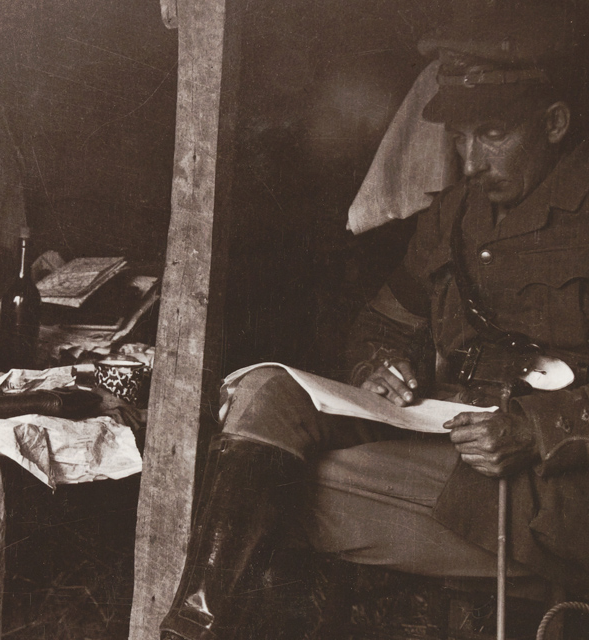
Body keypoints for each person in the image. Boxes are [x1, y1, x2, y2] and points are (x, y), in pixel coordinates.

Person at [160, 6, 589, 640]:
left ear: (554, 123)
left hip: (536, 489)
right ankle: (194, 626)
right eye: (461, 137)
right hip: (442, 439)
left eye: (492, 133)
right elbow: (382, 323)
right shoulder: (457, 214)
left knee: (273, 493)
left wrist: (534, 429)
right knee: (265, 395)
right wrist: (374, 366)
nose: (469, 161)